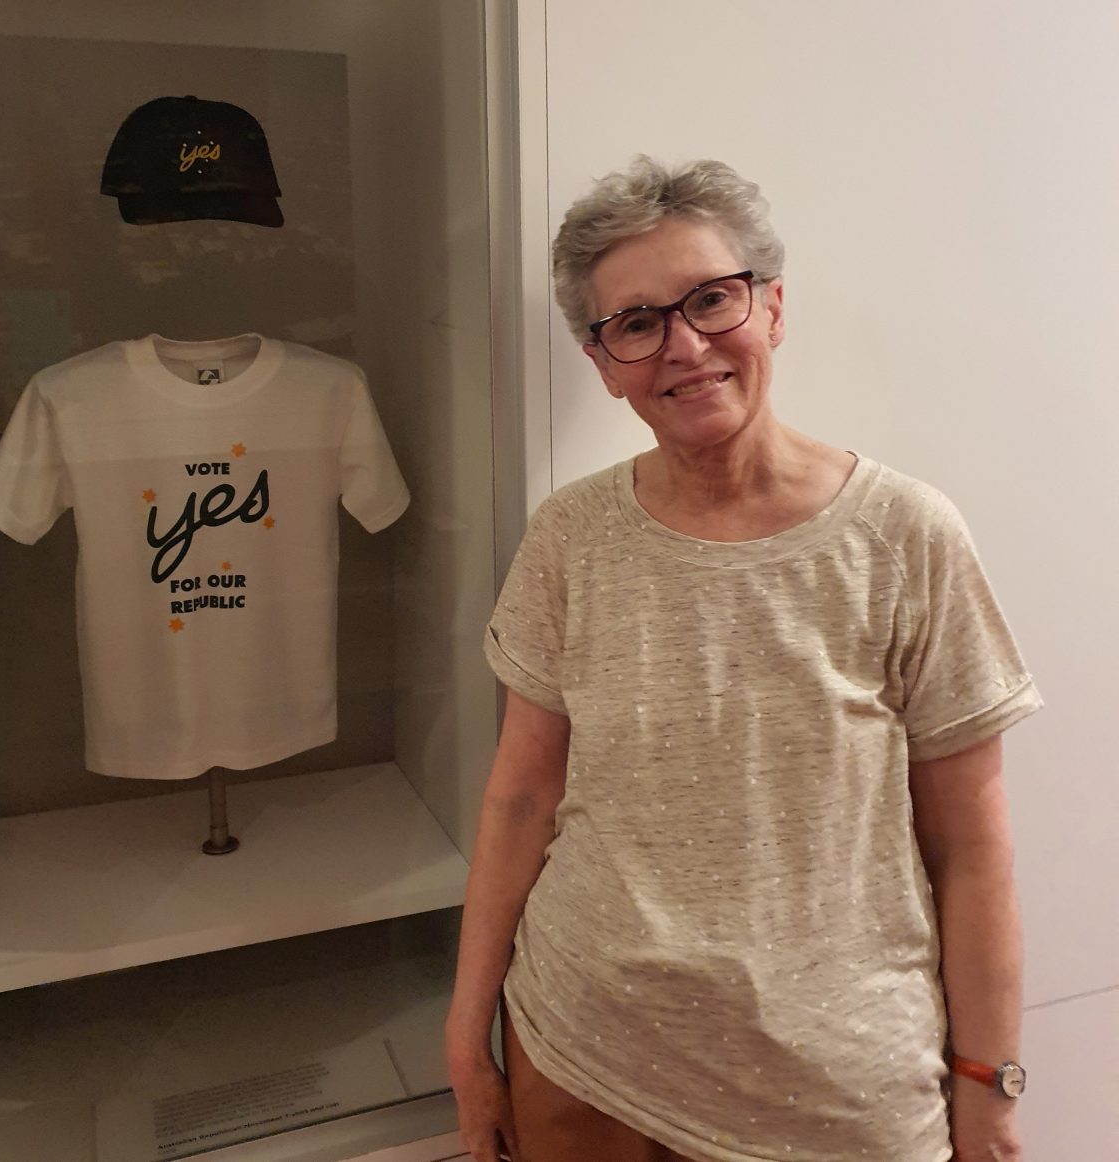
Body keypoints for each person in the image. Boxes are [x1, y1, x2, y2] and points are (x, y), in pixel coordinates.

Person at [445, 156, 1041, 1162]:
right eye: (635, 323)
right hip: (579, 1051)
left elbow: (972, 849)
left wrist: (990, 1089)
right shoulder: (570, 535)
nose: (683, 345)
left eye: (710, 300)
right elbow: (519, 798)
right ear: (604, 363)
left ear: (771, 309)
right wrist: (470, 1037)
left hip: (837, 1088)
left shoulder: (905, 534)